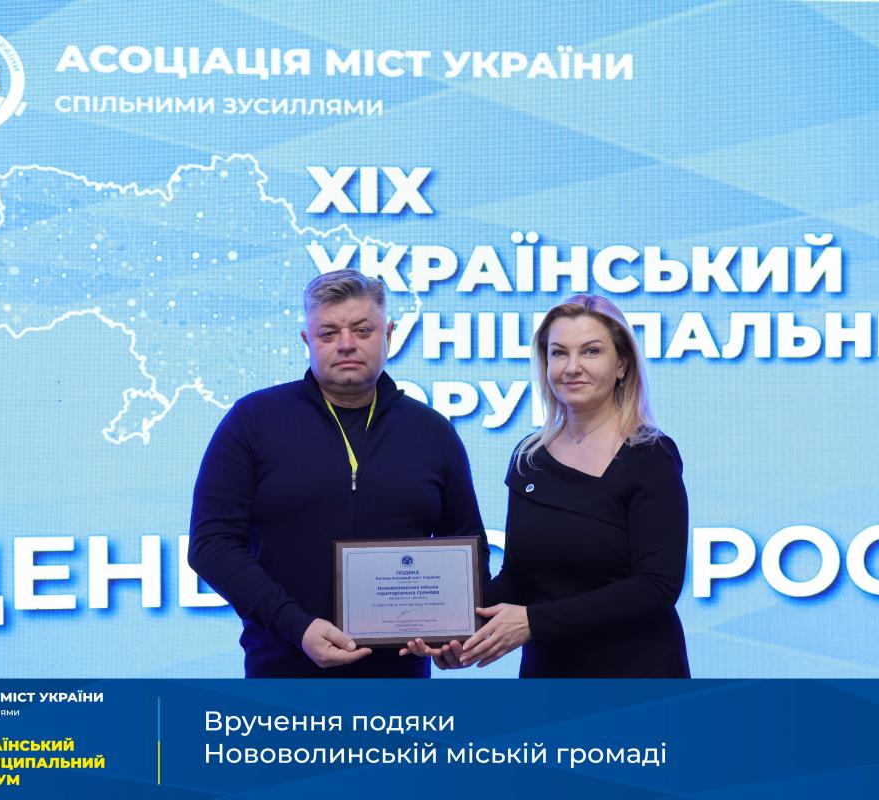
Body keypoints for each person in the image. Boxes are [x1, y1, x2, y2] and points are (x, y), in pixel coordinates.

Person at [188, 269, 489, 678]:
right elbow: (211, 545)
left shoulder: (433, 432)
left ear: (389, 334)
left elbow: (467, 546)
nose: (346, 344)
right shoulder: (253, 420)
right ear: (306, 340)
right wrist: (297, 626)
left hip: (401, 688)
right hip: (280, 678)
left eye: (362, 330)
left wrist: (455, 633)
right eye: (328, 333)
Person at [425, 294, 690, 677]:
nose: (572, 367)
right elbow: (518, 577)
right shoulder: (530, 457)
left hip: (636, 680)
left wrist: (533, 622)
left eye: (591, 351)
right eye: (559, 353)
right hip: (548, 678)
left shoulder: (651, 455)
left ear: (622, 364)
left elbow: (656, 586)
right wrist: (457, 630)